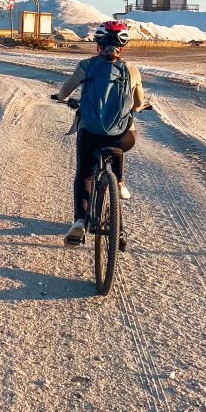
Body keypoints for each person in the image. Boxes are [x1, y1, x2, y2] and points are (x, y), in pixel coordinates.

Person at [53, 20, 149, 249]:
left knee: (85, 174)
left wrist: (63, 99)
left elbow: (65, 92)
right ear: (122, 47)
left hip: (91, 132)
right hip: (122, 137)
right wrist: (136, 107)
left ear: (97, 44)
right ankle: (120, 183)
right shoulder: (132, 70)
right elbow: (138, 103)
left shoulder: (86, 65)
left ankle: (80, 221)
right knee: (121, 138)